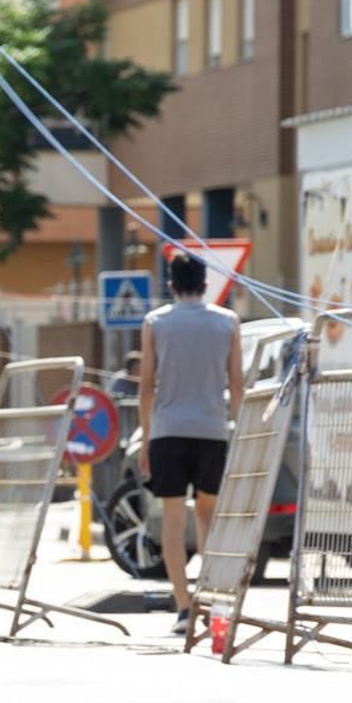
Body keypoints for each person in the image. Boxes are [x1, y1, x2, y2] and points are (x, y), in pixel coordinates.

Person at [138, 255, 243, 635]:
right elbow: (237, 385)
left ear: (171, 285)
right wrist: (241, 430)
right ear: (205, 284)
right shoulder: (227, 322)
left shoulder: (155, 323)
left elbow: (146, 386)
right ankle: (213, 602)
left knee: (172, 519)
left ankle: (183, 608)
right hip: (212, 430)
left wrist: (146, 438)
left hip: (168, 430)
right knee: (207, 516)